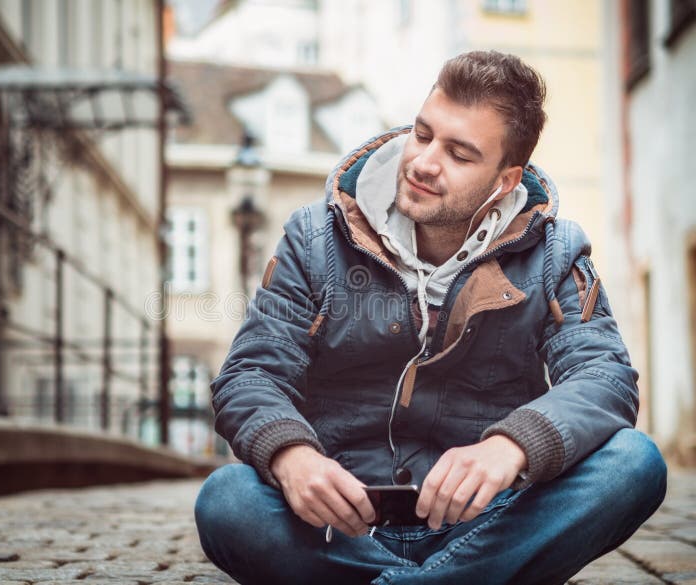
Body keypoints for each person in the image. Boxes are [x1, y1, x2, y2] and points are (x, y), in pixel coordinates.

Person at [194, 51, 667, 585]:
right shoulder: (314, 237)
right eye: (422, 134)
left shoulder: (555, 252)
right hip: (338, 525)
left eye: (460, 154)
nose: (423, 162)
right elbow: (251, 373)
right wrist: (292, 456)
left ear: (505, 180)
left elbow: (604, 378)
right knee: (227, 501)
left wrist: (510, 446)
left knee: (635, 463)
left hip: (488, 522)